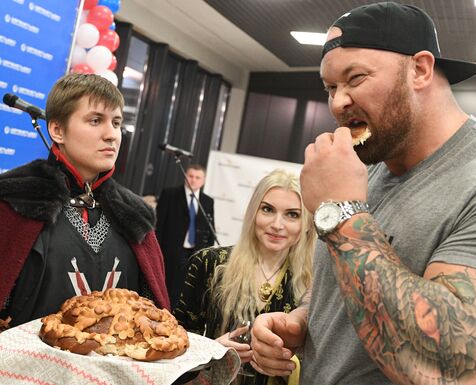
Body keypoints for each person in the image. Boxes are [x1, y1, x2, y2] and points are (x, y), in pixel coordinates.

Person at [250, 2, 476, 385]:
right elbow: (345, 281)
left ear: (420, 69)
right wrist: (303, 320)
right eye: (330, 87)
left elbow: (458, 368)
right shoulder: (365, 169)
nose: (338, 102)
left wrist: (341, 214)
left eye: (355, 78)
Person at [0, 73, 169, 330]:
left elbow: (154, 316)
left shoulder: (135, 215)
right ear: (57, 130)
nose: (111, 134)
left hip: (116, 366)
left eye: (116, 122)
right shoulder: (15, 199)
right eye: (95, 120)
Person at [174, 169, 316, 385]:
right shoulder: (210, 263)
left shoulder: (313, 282)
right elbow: (175, 341)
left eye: (292, 214)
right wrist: (213, 350)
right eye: (267, 209)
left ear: (306, 224)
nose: (277, 224)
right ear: (253, 213)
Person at [156, 164, 216, 308]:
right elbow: (159, 226)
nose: (193, 180)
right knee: (167, 289)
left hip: (194, 254)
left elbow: (210, 228)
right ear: (185, 176)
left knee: (187, 292)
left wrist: (205, 252)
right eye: (191, 176)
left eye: (197, 177)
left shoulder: (208, 201)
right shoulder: (169, 194)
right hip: (171, 252)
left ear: (203, 180)